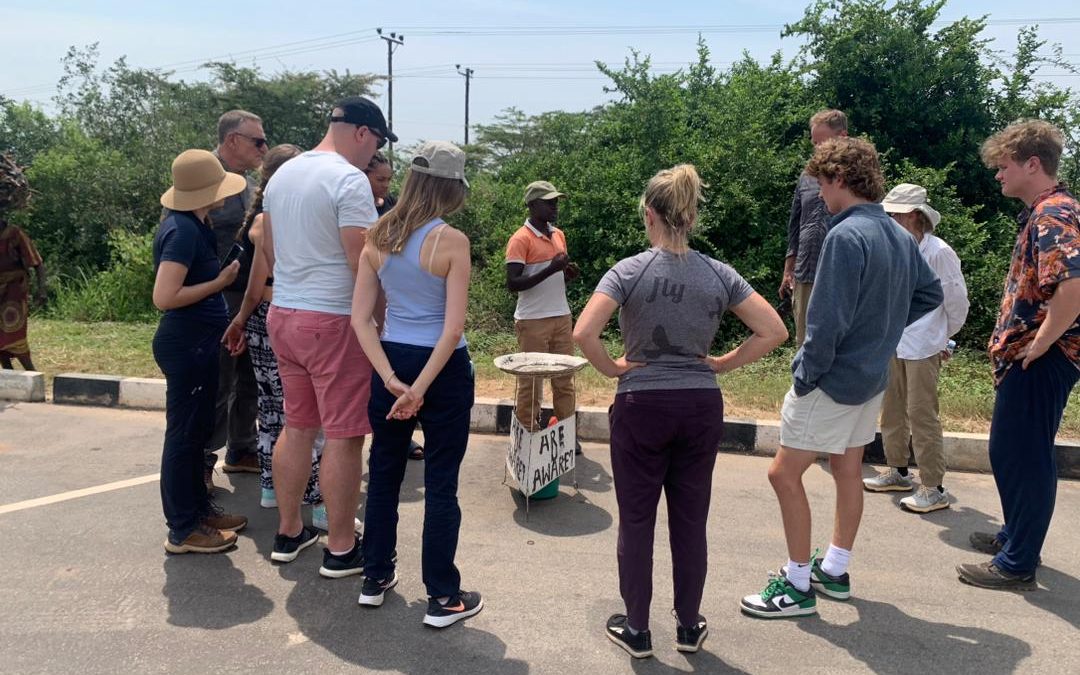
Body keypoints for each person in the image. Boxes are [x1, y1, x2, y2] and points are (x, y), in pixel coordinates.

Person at [575, 164, 787, 658]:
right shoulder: (719, 273)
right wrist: (721, 363)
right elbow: (774, 330)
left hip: (641, 404)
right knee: (690, 521)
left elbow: (584, 332)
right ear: (690, 217)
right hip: (699, 404)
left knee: (637, 521)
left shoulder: (628, 270)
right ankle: (689, 626)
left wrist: (613, 369)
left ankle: (638, 629)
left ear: (650, 215)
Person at [740, 137, 942, 618]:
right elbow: (930, 294)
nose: (820, 194)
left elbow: (826, 323)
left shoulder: (845, 236)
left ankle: (796, 586)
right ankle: (834, 567)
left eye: (820, 183)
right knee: (848, 469)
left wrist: (805, 375)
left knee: (783, 473)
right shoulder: (897, 233)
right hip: (869, 379)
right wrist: (883, 330)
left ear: (837, 179)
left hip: (831, 380)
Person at [259, 96, 394, 575]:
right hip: (334, 320)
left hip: (285, 314)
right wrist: (380, 319)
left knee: (298, 427)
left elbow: (270, 251)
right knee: (345, 435)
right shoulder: (348, 180)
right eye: (376, 141)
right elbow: (362, 263)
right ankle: (340, 547)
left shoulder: (282, 174)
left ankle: (289, 530)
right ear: (362, 132)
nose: (373, 153)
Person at [352, 141, 482, 627]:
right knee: (441, 481)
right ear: (452, 188)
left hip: (392, 360)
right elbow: (451, 329)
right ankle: (443, 597)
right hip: (441, 369)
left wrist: (391, 379)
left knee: (384, 472)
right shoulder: (452, 241)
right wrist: (421, 388)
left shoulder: (377, 235)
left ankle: (375, 576)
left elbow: (360, 320)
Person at [958, 120, 1080, 591]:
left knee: (1023, 456)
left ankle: (1017, 562)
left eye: (1003, 166)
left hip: (1042, 360)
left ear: (1033, 164)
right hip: (1036, 359)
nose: (997, 175)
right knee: (1013, 453)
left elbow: (1073, 285)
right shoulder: (1051, 210)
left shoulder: (1053, 213)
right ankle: (1015, 538)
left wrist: (1042, 343)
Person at [221, 144, 330, 525]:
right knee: (304, 420)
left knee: (271, 409)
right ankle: (319, 503)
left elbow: (253, 287)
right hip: (291, 315)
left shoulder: (262, 219)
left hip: (261, 318)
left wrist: (240, 319)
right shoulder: (284, 220)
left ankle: (271, 489)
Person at [152, 149, 249, 554]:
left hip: (200, 339)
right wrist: (221, 281)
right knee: (184, 438)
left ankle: (199, 511)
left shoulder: (197, 223)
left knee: (196, 436)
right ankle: (183, 527)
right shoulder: (183, 231)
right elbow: (165, 296)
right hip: (186, 343)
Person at [864, 184, 969, 512]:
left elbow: (957, 303)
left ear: (913, 216)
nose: (890, 219)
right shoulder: (897, 247)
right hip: (896, 340)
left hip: (925, 343)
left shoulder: (939, 252)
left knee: (922, 414)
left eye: (894, 214)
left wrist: (944, 337)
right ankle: (897, 470)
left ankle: (934, 486)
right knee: (892, 408)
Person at [203, 109, 268, 486]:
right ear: (232, 141)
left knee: (250, 378)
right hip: (217, 298)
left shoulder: (245, 183)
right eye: (257, 141)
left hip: (247, 296)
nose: (264, 147)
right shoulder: (203, 179)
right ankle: (202, 463)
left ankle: (241, 448)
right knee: (218, 381)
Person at [505, 180, 581, 452]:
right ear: (533, 204)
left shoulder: (558, 234)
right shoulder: (520, 239)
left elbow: (556, 271)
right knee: (532, 382)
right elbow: (513, 283)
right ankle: (528, 433)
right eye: (549, 202)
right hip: (532, 320)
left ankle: (566, 434)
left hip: (561, 316)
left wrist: (565, 273)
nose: (554, 207)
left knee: (564, 380)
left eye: (556, 202)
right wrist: (552, 269)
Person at [365, 151, 424, 461]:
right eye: (380, 179)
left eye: (389, 180)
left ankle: (398, 434)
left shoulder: (390, 211)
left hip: (391, 302)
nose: (386, 185)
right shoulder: (358, 213)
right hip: (365, 299)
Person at [779, 109, 849, 347]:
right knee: (804, 342)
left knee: (836, 339)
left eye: (823, 141)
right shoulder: (806, 177)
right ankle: (803, 385)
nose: (817, 148)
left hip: (840, 271)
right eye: (815, 142)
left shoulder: (856, 176)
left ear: (843, 137)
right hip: (805, 271)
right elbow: (795, 226)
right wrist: (788, 270)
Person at [0, 154, 47, 370]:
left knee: (14, 334)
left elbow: (37, 263)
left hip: (14, 291)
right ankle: (9, 376)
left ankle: (31, 374)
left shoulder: (14, 234)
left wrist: (41, 291)